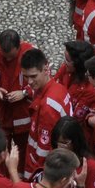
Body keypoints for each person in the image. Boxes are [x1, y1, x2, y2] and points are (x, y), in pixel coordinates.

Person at [19, 48, 73, 179]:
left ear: (45, 69)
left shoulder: (48, 107)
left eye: (33, 76)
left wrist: (37, 177)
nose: (29, 82)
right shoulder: (57, 88)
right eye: (26, 77)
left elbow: (44, 148)